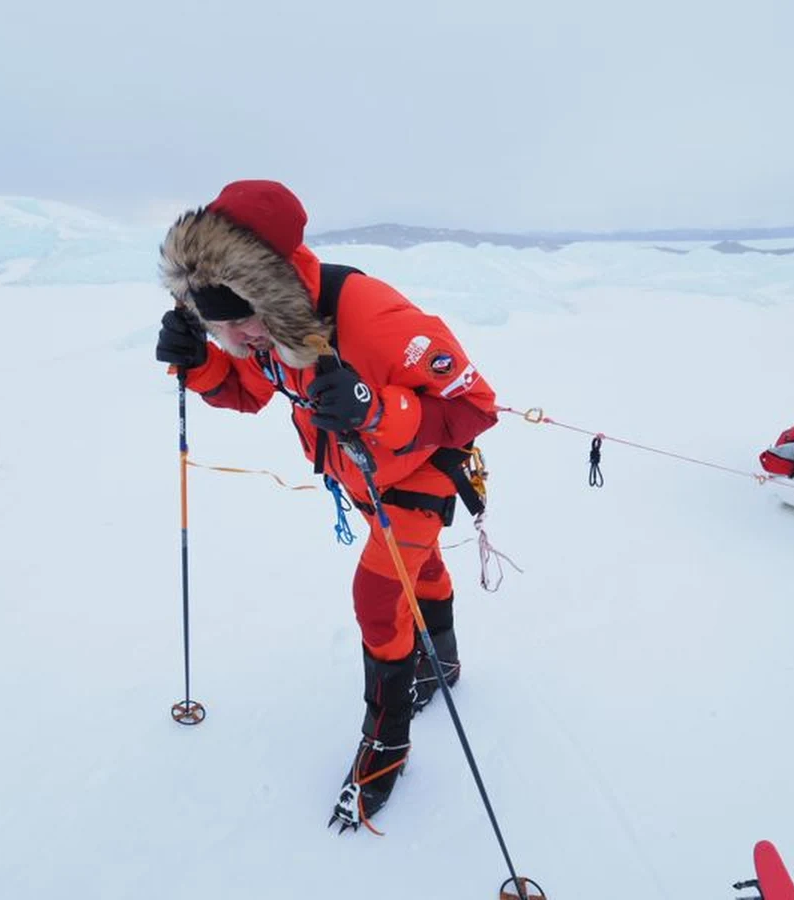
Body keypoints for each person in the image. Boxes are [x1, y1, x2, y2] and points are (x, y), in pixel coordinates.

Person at [154, 180, 498, 831]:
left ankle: (386, 744)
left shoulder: (375, 320)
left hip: (417, 472)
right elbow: (248, 392)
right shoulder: (266, 332)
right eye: (213, 326)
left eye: (237, 323)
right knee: (416, 574)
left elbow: (474, 408)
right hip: (359, 476)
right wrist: (198, 367)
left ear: (273, 293)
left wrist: (377, 407)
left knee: (377, 597)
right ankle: (443, 659)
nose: (232, 340)